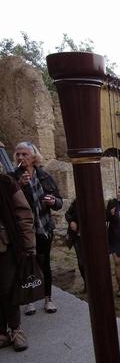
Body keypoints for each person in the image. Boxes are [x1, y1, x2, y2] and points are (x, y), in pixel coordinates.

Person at [12, 141, 63, 314]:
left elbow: (59, 202)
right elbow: (8, 204)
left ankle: (48, 298)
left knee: (44, 263)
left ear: (34, 157)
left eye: (24, 154)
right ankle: (30, 299)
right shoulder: (12, 178)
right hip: (24, 231)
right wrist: (19, 185)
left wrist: (53, 201)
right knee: (27, 264)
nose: (20, 157)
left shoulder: (44, 176)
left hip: (43, 228)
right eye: (18, 154)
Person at [0, 171, 36, 351]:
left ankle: (16, 329)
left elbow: (24, 214)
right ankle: (1, 332)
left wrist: (29, 246)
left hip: (5, 245)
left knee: (8, 288)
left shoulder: (7, 182)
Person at [65, 198, 86, 292]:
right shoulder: (76, 202)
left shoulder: (95, 201)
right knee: (81, 262)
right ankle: (87, 284)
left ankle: (94, 283)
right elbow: (67, 214)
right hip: (78, 237)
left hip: (91, 238)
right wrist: (71, 222)